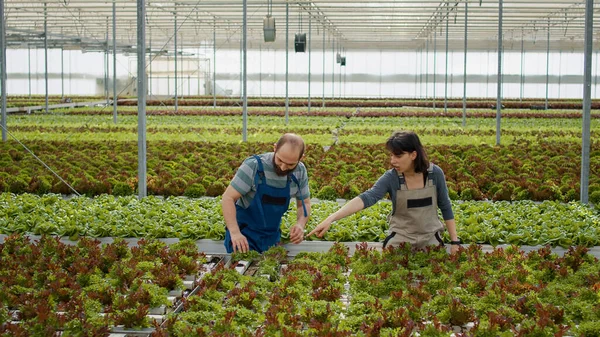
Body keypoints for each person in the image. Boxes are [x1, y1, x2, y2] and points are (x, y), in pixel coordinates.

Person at [307, 130, 460, 254]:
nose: (393, 160)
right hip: (401, 239)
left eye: (398, 155)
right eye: (392, 155)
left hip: (430, 238)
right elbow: (367, 197)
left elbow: (445, 205)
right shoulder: (392, 177)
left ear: (413, 155)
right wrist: (331, 218)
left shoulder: (435, 174)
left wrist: (454, 241)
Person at [222, 133, 311, 253]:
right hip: (244, 235)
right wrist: (234, 232)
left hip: (271, 237)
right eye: (280, 160)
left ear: (301, 158)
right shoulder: (253, 166)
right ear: (275, 148)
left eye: (291, 164)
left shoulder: (300, 171)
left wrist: (300, 224)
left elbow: (304, 203)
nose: (283, 167)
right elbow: (228, 198)